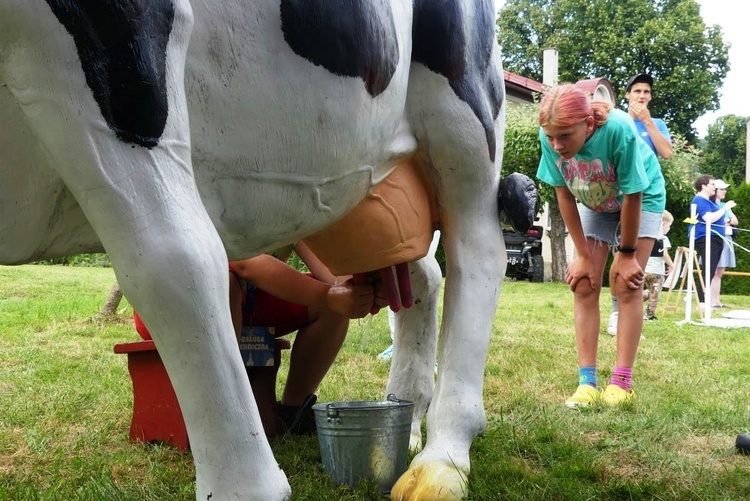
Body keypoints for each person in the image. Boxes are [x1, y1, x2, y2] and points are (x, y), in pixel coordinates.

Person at [536, 84, 666, 407]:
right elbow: (563, 193)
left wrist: (626, 254)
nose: (557, 145)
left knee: (626, 282)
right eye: (552, 137)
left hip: (641, 196)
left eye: (565, 136)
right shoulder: (549, 138)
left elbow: (633, 193)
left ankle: (621, 383)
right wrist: (581, 254)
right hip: (595, 199)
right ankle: (587, 384)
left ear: (588, 124)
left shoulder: (618, 129)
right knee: (583, 282)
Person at [228, 241, 386, 434]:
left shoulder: (290, 214)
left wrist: (361, 286)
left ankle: (294, 410)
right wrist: (328, 296)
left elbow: (329, 269)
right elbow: (243, 261)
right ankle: (222, 405)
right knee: (226, 282)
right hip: (208, 308)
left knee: (334, 307)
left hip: (257, 302)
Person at [607, 73, 673, 335]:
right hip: (618, 195)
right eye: (637, 91)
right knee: (619, 256)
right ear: (628, 95)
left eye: (646, 92)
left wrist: (648, 123)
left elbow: (667, 153)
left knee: (638, 263)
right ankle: (615, 311)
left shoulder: (656, 123)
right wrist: (633, 121)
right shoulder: (619, 121)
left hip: (647, 197)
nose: (642, 96)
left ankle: (629, 313)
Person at [688, 175, 736, 309]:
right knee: (708, 269)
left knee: (711, 269)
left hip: (715, 238)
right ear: (704, 186)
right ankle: (702, 302)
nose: (715, 187)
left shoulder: (707, 201)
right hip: (707, 237)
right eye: (713, 184)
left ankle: (703, 301)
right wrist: (725, 209)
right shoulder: (700, 200)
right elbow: (709, 218)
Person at [709, 179, 738, 308]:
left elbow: (735, 221)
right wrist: (723, 220)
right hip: (716, 238)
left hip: (726, 237)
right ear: (715, 191)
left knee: (719, 272)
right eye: (722, 189)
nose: (725, 191)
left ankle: (717, 301)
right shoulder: (710, 205)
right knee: (713, 271)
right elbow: (710, 220)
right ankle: (710, 301)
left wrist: (728, 219)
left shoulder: (725, 205)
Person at [643, 211, 675, 321]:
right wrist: (672, 266)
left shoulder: (648, 236)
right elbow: (664, 254)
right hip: (657, 271)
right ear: (663, 224)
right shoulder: (663, 238)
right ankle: (649, 315)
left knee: (650, 291)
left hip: (645, 269)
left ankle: (634, 302)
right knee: (655, 294)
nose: (669, 229)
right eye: (669, 225)